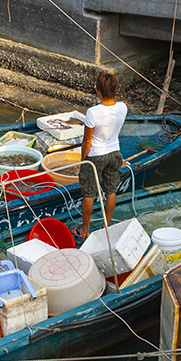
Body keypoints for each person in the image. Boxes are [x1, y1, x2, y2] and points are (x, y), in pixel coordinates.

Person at [79, 70, 127, 240]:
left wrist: (82, 160)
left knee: (89, 192)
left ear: (98, 91)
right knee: (111, 190)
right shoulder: (123, 107)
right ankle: (106, 223)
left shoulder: (93, 112)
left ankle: (85, 230)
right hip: (115, 153)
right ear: (115, 91)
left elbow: (87, 141)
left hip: (95, 156)